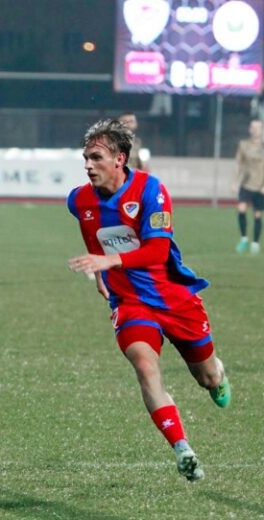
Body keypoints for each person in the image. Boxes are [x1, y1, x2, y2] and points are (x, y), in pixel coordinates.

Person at [67, 119, 231, 482]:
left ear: (120, 159)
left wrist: (108, 262)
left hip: (174, 298)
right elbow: (94, 235)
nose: (87, 165)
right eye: (85, 158)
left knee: (205, 379)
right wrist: (100, 275)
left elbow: (156, 251)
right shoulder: (79, 200)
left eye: (95, 158)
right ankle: (182, 448)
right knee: (145, 366)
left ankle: (217, 373)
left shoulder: (151, 190)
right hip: (129, 303)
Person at [233, 118, 264, 254]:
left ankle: (255, 243)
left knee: (257, 215)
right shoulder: (243, 144)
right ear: (250, 129)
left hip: (260, 185)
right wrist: (235, 182)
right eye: (253, 127)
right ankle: (244, 238)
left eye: (258, 127)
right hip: (246, 183)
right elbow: (238, 163)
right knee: (241, 209)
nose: (256, 130)